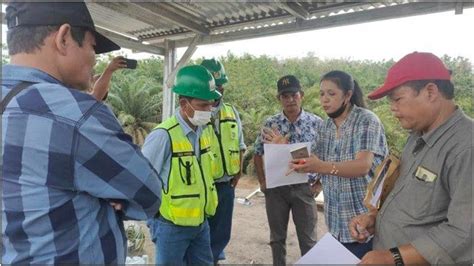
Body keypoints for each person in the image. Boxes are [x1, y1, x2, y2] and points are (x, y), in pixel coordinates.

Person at [1, 1, 162, 264]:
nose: (94, 58)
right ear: (64, 38)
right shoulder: (75, 115)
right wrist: (108, 194)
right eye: (92, 46)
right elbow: (149, 193)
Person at [349, 52, 473, 264]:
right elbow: (407, 198)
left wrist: (393, 258)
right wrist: (375, 219)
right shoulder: (416, 137)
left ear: (430, 92)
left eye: (397, 99)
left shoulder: (466, 146)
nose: (393, 110)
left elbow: (464, 232)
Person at [289, 70, 388, 259]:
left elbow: (362, 166)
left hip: (364, 222)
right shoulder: (325, 125)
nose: (324, 99)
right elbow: (311, 157)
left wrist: (321, 167)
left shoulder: (366, 120)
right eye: (322, 94)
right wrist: (286, 148)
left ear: (348, 95)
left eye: (331, 94)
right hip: (335, 222)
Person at [142, 65, 221, 265]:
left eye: (210, 105)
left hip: (201, 224)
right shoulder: (163, 136)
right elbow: (141, 180)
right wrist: (154, 222)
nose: (208, 110)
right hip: (171, 227)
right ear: (184, 103)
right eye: (203, 105)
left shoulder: (202, 132)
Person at [253, 75, 323, 266]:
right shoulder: (270, 124)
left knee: (308, 239)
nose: (290, 99)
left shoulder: (317, 123)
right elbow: (257, 153)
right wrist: (262, 181)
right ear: (279, 99)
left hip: (304, 188)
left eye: (294, 95)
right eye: (285, 96)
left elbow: (327, 154)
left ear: (302, 95)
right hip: (276, 190)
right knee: (277, 239)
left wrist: (319, 183)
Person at [200, 58, 247, 263]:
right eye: (214, 86)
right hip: (204, 185)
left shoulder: (231, 111)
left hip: (227, 185)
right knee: (201, 233)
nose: (219, 90)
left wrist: (239, 171)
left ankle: (215, 259)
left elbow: (240, 144)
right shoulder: (195, 112)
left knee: (221, 233)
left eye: (221, 85)